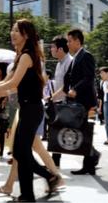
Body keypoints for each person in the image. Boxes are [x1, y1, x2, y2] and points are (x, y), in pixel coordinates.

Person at [0, 19, 60, 202]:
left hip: (32, 109)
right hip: (26, 108)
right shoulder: (21, 56)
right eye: (12, 30)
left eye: (16, 31)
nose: (12, 34)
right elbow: (6, 84)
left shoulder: (28, 56)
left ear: (25, 35)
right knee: (21, 152)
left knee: (21, 152)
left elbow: (13, 83)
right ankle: (30, 193)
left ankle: (47, 179)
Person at [63, 29, 100, 176]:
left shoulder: (86, 56)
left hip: (85, 101)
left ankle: (90, 162)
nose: (68, 43)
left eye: (69, 41)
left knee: (83, 132)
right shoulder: (76, 58)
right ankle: (91, 160)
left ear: (78, 41)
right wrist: (66, 89)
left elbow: (88, 77)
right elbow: (69, 78)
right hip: (78, 101)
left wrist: (75, 89)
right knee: (82, 131)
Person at [48, 35, 72, 168]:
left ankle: (92, 154)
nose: (51, 49)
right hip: (59, 102)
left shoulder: (69, 62)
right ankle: (54, 162)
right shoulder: (59, 63)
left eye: (52, 47)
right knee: (57, 131)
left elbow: (67, 85)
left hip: (66, 102)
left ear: (60, 49)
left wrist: (53, 96)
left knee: (66, 131)